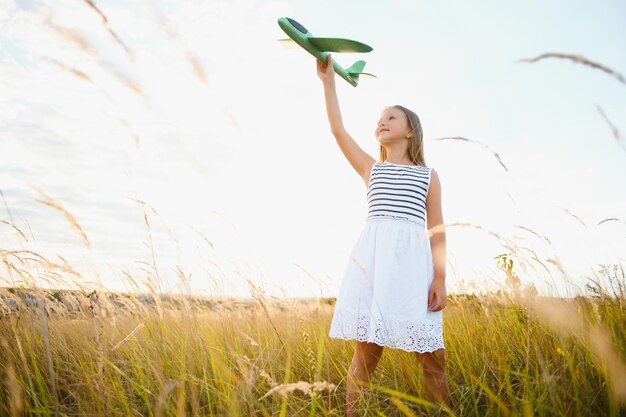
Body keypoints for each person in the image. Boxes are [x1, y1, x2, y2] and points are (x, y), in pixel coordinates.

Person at [317, 53, 451, 416]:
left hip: (413, 270)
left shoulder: (428, 176)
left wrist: (439, 276)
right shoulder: (371, 170)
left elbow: (436, 229)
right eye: (379, 120)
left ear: (410, 130)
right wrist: (329, 82)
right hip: (374, 269)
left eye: (391, 117)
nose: (382, 122)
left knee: (433, 357)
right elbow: (338, 131)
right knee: (366, 354)